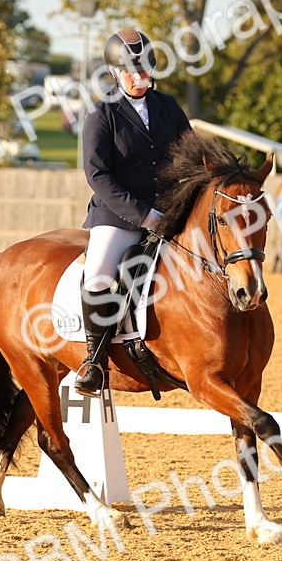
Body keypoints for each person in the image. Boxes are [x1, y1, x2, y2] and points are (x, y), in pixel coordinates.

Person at [76, 28, 193, 396]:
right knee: (97, 277)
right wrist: (144, 216)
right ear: (115, 73)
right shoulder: (102, 115)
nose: (139, 76)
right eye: (130, 70)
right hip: (119, 217)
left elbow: (189, 156)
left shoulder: (168, 107)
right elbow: (97, 175)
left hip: (171, 212)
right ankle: (94, 361)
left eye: (144, 68)